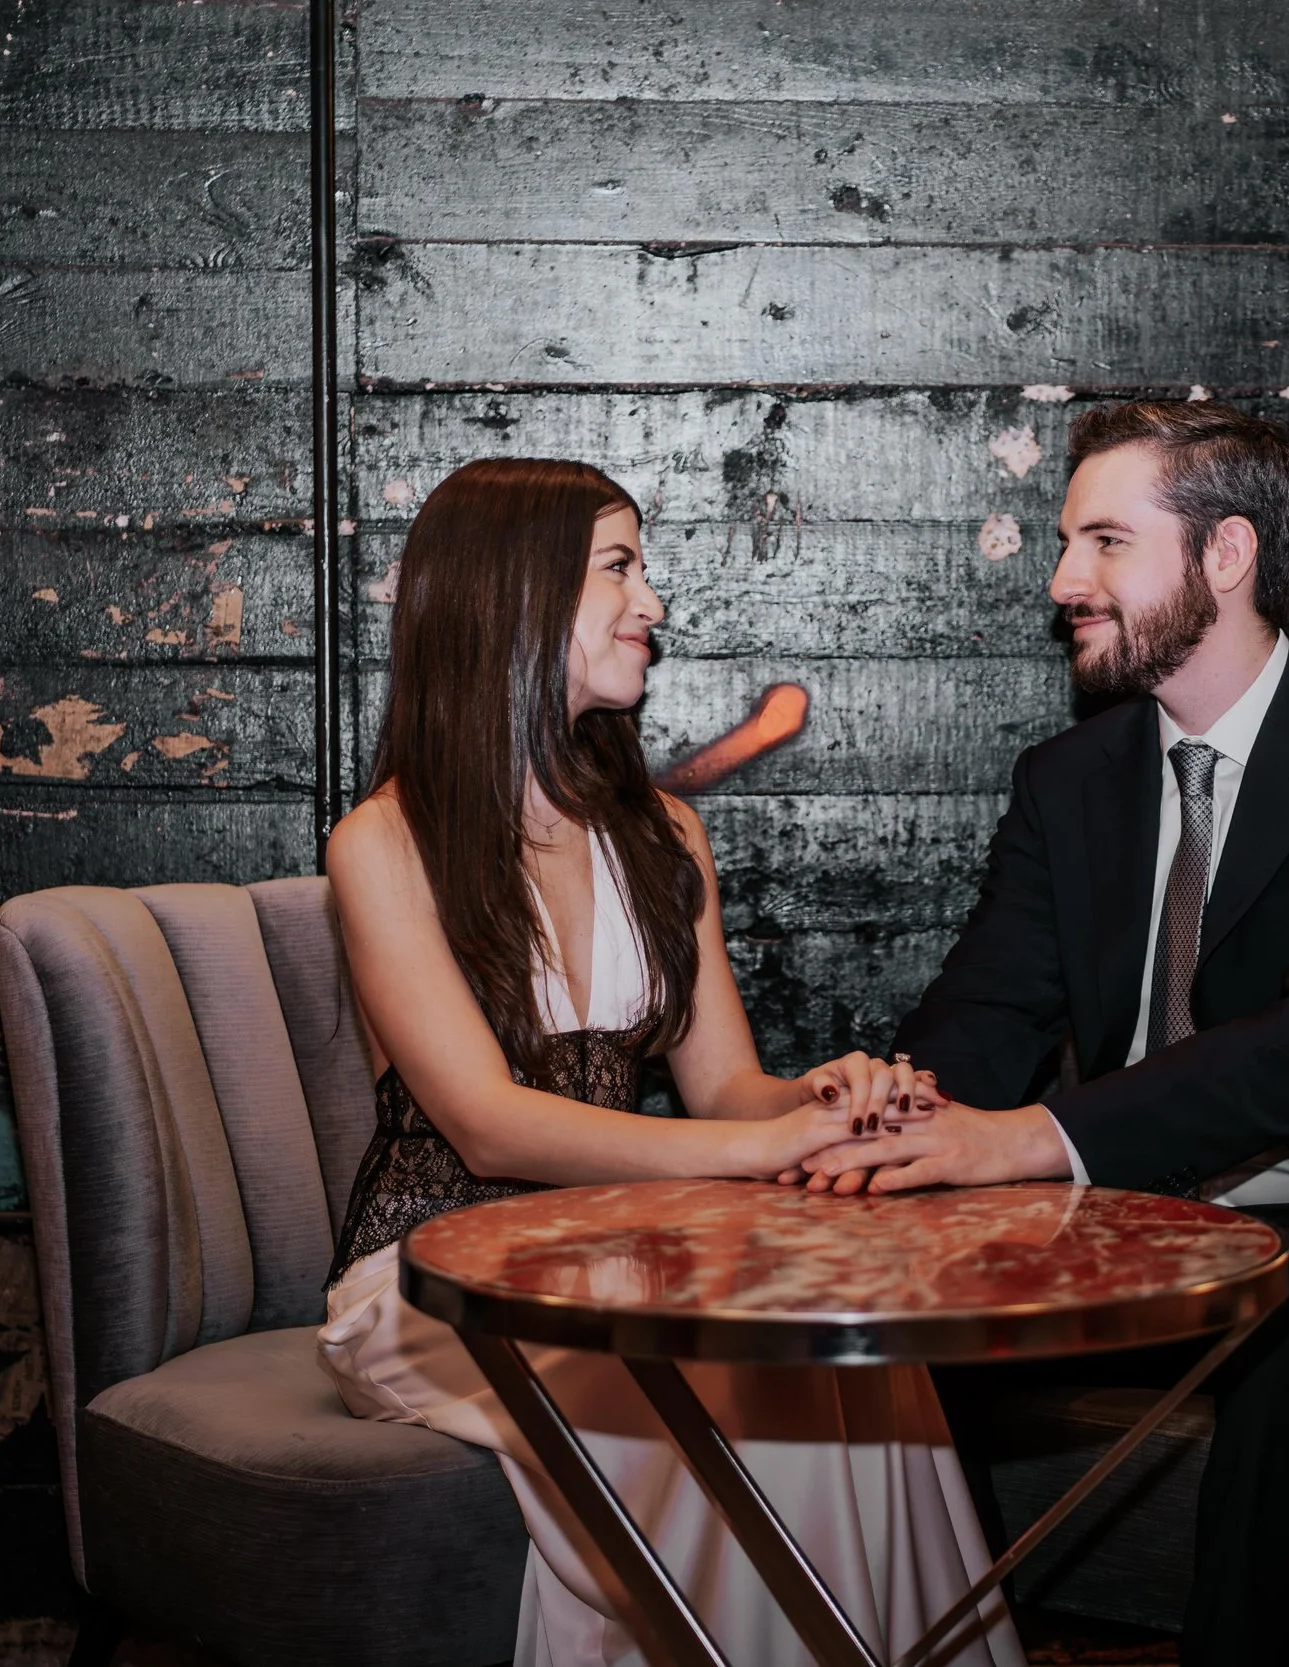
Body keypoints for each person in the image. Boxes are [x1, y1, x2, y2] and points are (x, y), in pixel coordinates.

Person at [800, 401, 1289, 1663]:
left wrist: (1028, 1139)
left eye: (1106, 541)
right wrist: (902, 1100)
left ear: (1224, 555)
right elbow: (992, 1006)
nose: (1065, 580)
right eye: (1070, 541)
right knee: (880, 1276)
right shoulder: (1067, 779)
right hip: (1105, 1209)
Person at [318, 457, 1022, 1667]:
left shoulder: (662, 830)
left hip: (626, 1257)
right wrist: (763, 1145)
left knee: (858, 1366)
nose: (655, 599)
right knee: (710, 1395)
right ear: (514, 594)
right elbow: (488, 1124)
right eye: (620, 566)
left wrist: (827, 1096)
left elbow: (726, 1088)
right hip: (438, 1273)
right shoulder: (382, 842)